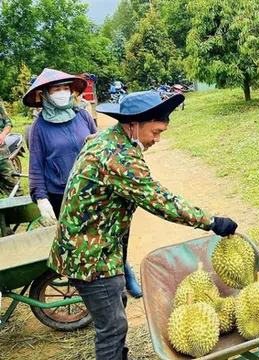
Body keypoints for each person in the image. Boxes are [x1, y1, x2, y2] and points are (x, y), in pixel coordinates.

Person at [47, 90, 238, 360]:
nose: (157, 140)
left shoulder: (106, 138)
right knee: (112, 326)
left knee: (116, 307)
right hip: (89, 257)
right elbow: (160, 201)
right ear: (134, 125)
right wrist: (212, 222)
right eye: (156, 132)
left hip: (98, 247)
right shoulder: (119, 158)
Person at [24, 68, 143, 298]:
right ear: (46, 95)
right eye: (56, 89)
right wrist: (40, 196)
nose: (62, 92)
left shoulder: (82, 116)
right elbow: (35, 165)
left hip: (96, 189)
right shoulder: (39, 128)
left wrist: (126, 150)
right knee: (85, 244)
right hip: (63, 195)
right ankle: (99, 287)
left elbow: (101, 145)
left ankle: (125, 271)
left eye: (65, 88)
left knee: (112, 234)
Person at [0, 100, 22, 196]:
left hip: (2, 156)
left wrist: (3, 135)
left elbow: (8, 123)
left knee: (15, 187)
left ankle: (20, 209)